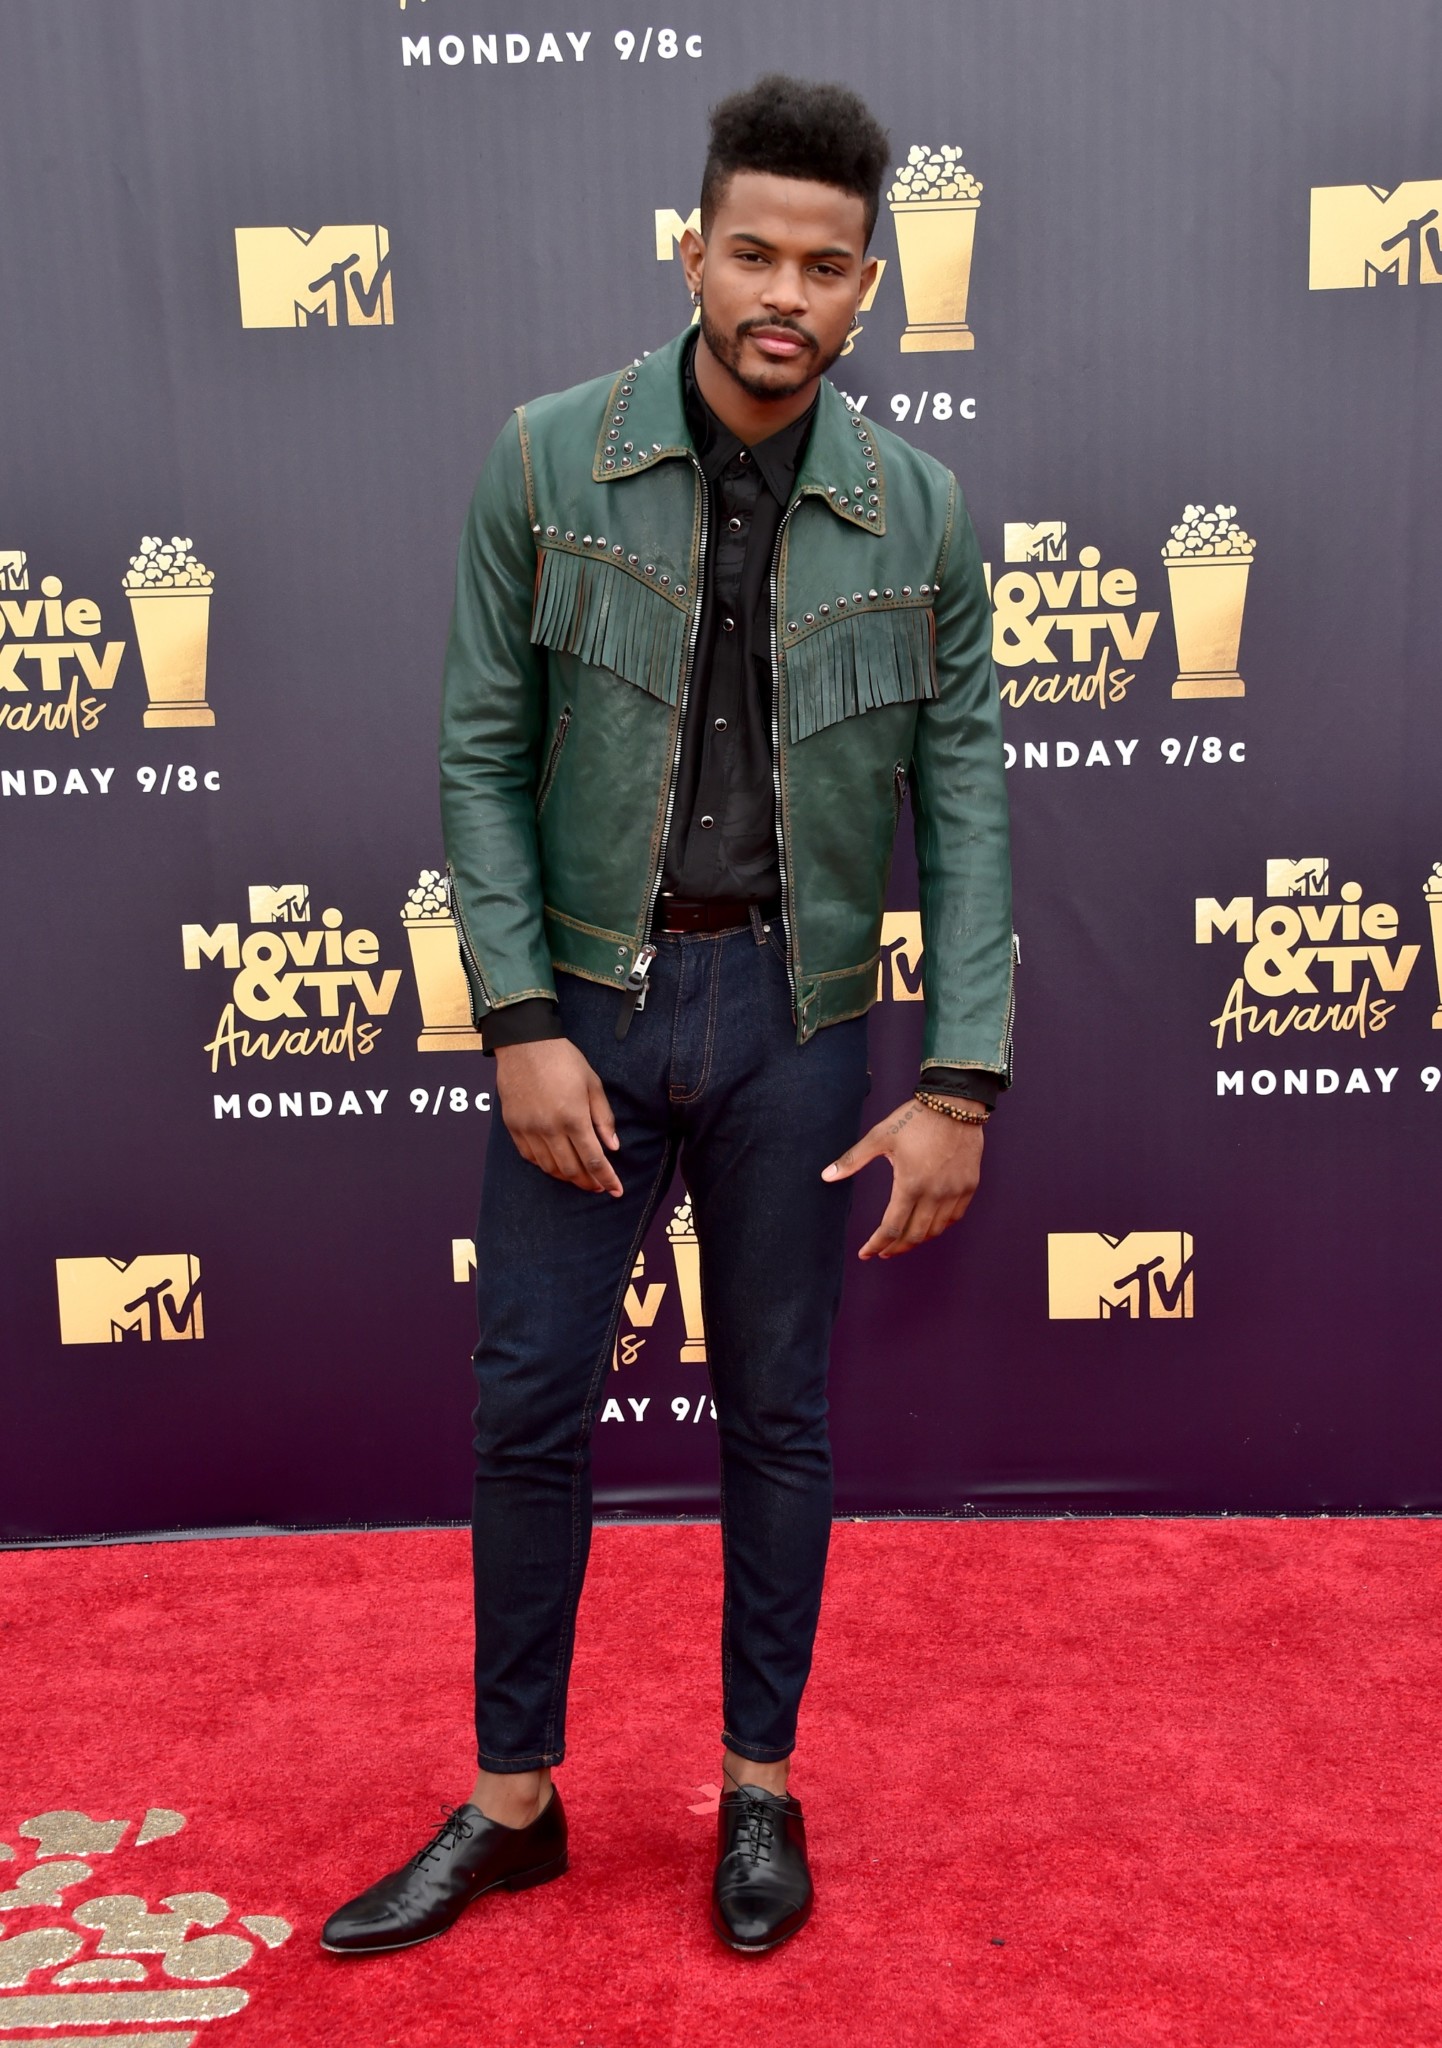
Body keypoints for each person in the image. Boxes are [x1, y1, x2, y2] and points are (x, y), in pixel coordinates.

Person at [322, 73, 1013, 1961]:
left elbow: (964, 807)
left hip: (798, 1018)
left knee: (776, 1414)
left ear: (868, 286)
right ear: (691, 251)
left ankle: (759, 1788)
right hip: (587, 1013)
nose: (785, 293)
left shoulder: (919, 512)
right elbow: (481, 751)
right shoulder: (546, 461)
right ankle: (512, 1803)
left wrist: (958, 1078)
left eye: (825, 265)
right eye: (752, 252)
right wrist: (516, 1019)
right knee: (527, 1398)